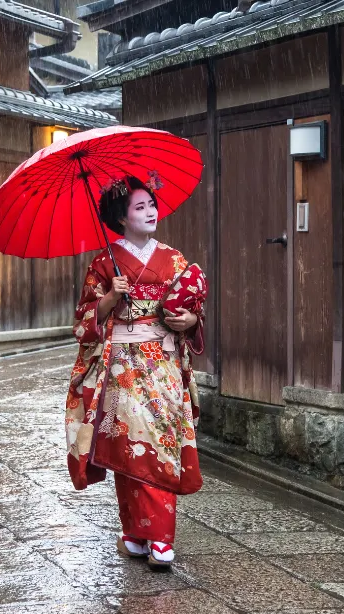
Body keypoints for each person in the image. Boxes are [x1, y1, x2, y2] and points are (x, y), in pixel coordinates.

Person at [65, 175, 206, 570]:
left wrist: (190, 319)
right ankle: (136, 534)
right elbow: (82, 324)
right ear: (121, 218)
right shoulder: (103, 263)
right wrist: (109, 299)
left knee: (159, 440)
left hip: (162, 363)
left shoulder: (174, 259)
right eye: (139, 207)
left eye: (152, 205)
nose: (150, 212)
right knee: (131, 444)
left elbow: (194, 312)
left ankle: (158, 537)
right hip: (123, 364)